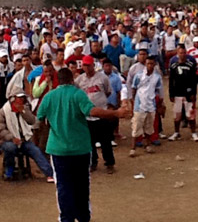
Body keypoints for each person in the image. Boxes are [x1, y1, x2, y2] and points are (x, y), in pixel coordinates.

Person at [37, 68, 129, 222]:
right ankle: (82, 217)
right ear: (72, 80)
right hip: (80, 148)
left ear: (58, 80)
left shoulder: (49, 96)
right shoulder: (77, 94)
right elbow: (92, 111)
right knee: (81, 186)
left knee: (63, 187)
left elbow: (40, 117)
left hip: (58, 149)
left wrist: (54, 123)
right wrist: (115, 113)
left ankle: (66, 218)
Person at [0, 92, 54, 182]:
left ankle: (50, 173)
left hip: (24, 140)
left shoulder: (25, 109)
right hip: (8, 140)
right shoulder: (3, 111)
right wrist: (12, 138)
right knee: (10, 148)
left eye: (23, 98)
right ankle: (9, 169)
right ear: (13, 99)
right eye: (19, 98)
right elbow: (0, 129)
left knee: (35, 151)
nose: (22, 100)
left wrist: (23, 112)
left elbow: (32, 121)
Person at [75, 55, 115, 174]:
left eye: (89, 65)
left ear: (93, 65)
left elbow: (108, 92)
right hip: (87, 116)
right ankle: (92, 163)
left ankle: (109, 163)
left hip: (102, 114)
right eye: (85, 65)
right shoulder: (79, 80)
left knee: (106, 141)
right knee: (89, 142)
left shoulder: (102, 78)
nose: (87, 68)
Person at [129, 56, 164, 157]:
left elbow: (159, 90)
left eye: (152, 64)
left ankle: (147, 145)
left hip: (151, 105)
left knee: (149, 127)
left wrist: (160, 104)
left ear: (154, 64)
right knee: (136, 126)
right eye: (148, 63)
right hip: (139, 105)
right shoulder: (139, 75)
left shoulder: (157, 77)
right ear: (145, 64)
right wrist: (133, 101)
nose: (150, 66)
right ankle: (133, 148)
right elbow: (134, 88)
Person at [168, 44, 198, 142]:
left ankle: (193, 133)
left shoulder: (190, 65)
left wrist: (194, 93)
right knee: (177, 115)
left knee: (191, 115)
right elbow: (171, 81)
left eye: (184, 53)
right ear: (177, 53)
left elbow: (194, 80)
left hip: (188, 94)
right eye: (180, 53)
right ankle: (176, 132)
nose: (182, 55)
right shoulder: (173, 66)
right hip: (177, 93)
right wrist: (171, 94)